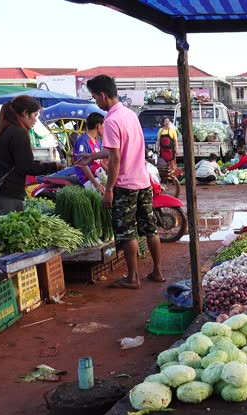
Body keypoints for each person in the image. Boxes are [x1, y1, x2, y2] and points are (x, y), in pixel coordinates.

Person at [76, 75, 164, 288]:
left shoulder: (111, 121)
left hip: (125, 184)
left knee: (127, 232)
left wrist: (108, 190)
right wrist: (94, 157)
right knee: (150, 228)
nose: (96, 101)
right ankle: (157, 272)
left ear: (104, 95)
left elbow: (115, 158)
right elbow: (118, 150)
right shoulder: (130, 115)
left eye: (95, 97)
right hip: (143, 180)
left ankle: (133, 277)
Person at [0, 95, 61, 220]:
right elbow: (26, 167)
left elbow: (10, 161)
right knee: (11, 234)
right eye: (35, 115)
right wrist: (54, 166)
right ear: (25, 113)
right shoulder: (19, 132)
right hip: (8, 194)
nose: (36, 120)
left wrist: (40, 163)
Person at [72, 112, 106, 194]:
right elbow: (83, 165)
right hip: (88, 180)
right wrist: (96, 184)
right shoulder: (82, 141)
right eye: (104, 125)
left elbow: (100, 162)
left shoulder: (98, 142)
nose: (105, 128)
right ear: (98, 126)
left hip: (99, 176)